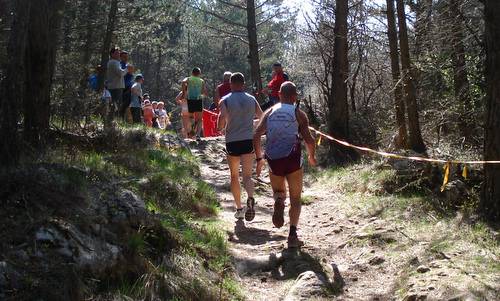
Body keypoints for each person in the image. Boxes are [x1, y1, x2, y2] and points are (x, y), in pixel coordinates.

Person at [253, 81, 317, 248]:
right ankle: (292, 235)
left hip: (274, 159)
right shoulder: (299, 114)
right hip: (293, 159)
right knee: (296, 198)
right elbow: (309, 140)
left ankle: (279, 201)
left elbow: (256, 134)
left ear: (279, 95)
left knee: (279, 191)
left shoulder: (269, 112)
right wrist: (311, 156)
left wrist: (259, 159)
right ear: (295, 97)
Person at [217, 72, 263, 221]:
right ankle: (250, 197)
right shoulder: (252, 99)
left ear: (230, 84)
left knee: (234, 175)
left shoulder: (225, 100)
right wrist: (253, 125)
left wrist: (220, 126)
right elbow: (262, 117)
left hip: (232, 140)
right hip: (247, 139)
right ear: (243, 84)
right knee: (248, 176)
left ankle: (239, 208)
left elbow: (222, 116)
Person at [182, 68, 207, 140]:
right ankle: (198, 135)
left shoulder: (189, 79)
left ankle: (191, 132)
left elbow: (183, 82)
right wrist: (202, 95)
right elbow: (204, 92)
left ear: (192, 73)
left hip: (190, 100)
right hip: (198, 100)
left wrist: (184, 92)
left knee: (191, 117)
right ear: (199, 73)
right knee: (199, 119)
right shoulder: (201, 81)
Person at [106, 47, 130, 121]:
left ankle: (111, 120)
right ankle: (114, 120)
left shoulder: (112, 62)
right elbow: (120, 73)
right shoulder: (114, 62)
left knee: (113, 104)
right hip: (116, 87)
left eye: (118, 53)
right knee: (116, 105)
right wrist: (127, 69)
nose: (118, 54)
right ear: (112, 54)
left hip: (113, 86)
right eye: (116, 53)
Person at [120, 51, 134, 120]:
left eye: (126, 57)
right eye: (124, 57)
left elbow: (131, 75)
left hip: (128, 87)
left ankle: (122, 117)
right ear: (121, 57)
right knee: (122, 103)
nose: (126, 58)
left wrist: (131, 71)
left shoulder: (128, 65)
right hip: (122, 87)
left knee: (127, 103)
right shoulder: (120, 65)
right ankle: (120, 117)